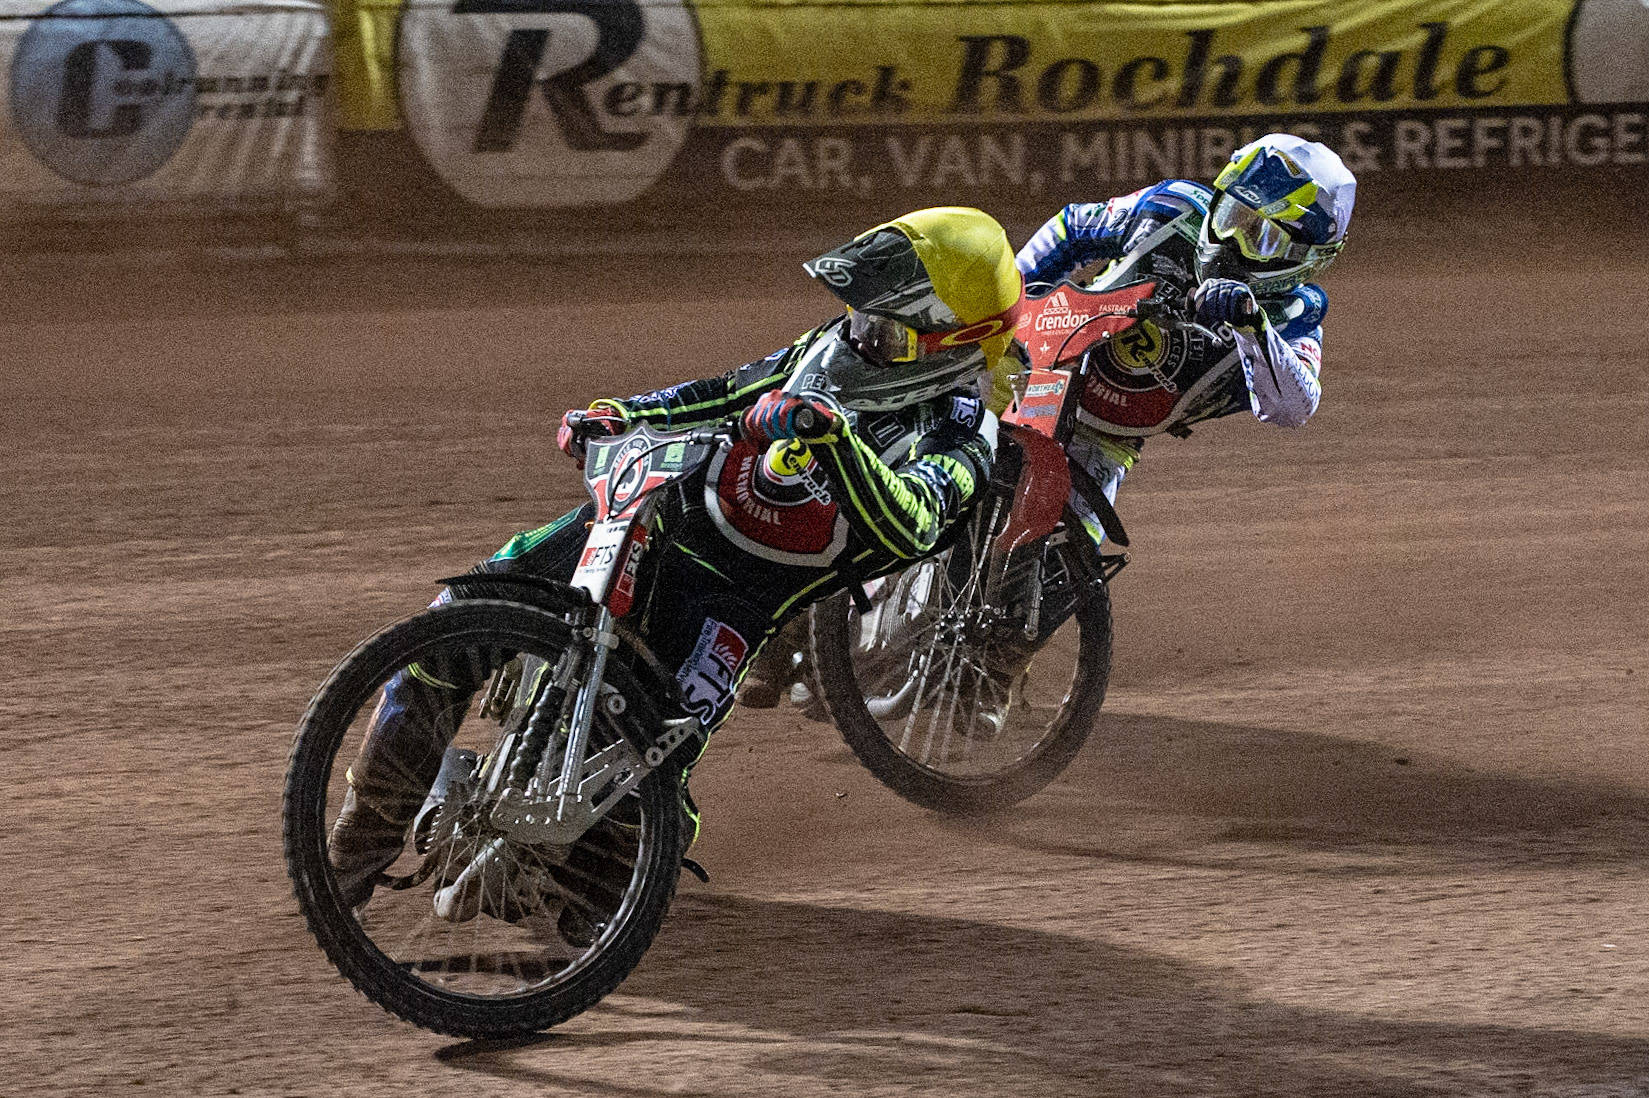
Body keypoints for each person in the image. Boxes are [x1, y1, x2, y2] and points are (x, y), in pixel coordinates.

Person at [326, 206, 1024, 914]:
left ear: (954, 342)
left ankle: (596, 873)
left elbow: (915, 524)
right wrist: (627, 414)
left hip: (733, 600)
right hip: (655, 514)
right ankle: (362, 835)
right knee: (457, 621)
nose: (859, 337)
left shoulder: (963, 433)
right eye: (859, 316)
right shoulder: (831, 347)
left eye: (884, 330)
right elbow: (726, 390)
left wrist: (834, 441)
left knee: (621, 829)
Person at [1013, 133, 1356, 545]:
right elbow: (1072, 227)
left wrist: (1252, 326)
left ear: (1308, 258)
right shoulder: (1170, 206)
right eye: (1231, 216)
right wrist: (1013, 302)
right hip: (1034, 368)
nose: (1232, 240)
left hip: (1106, 438)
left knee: (1064, 552)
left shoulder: (1295, 313)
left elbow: (1293, 408)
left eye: (1262, 237)